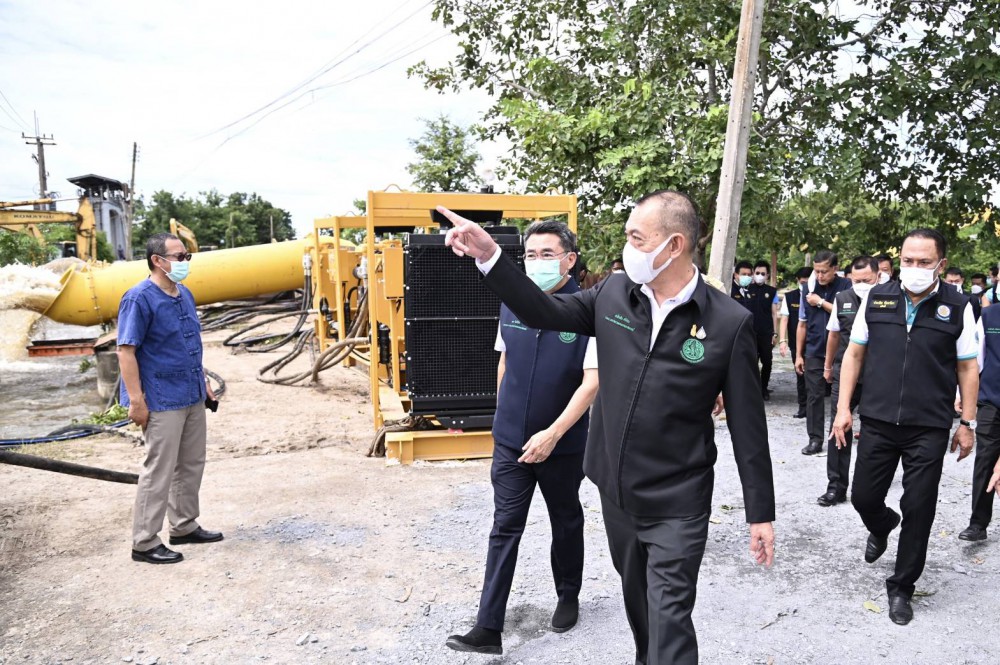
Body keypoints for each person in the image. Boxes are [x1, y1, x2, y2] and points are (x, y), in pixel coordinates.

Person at [439, 190, 775, 665]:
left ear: (674, 245)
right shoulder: (614, 295)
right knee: (639, 603)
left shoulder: (728, 322)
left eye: (637, 239)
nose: (627, 248)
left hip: (679, 497)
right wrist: (490, 255)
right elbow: (544, 311)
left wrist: (760, 513)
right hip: (616, 492)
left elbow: (748, 427)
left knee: (671, 614)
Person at [446, 221, 599, 656]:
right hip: (512, 442)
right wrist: (504, 420)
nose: (537, 262)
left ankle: (568, 594)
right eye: (530, 255)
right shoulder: (512, 302)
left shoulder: (586, 312)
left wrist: (553, 434)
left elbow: (592, 382)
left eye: (547, 254)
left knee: (565, 520)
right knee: (504, 526)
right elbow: (505, 363)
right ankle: (487, 627)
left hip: (561, 443)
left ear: (569, 260)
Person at [831, 228, 978, 626]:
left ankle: (901, 587)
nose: (914, 268)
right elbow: (854, 355)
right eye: (908, 260)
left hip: (928, 426)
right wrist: (843, 408)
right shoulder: (878, 298)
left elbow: (967, 367)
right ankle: (882, 524)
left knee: (919, 507)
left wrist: (967, 422)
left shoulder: (958, 305)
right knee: (863, 496)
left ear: (941, 264)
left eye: (924, 262)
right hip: (878, 420)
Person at [117, 233, 223, 565]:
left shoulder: (184, 294)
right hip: (161, 398)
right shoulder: (138, 299)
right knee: (159, 470)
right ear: (157, 261)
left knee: (191, 463)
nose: (185, 262)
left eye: (187, 256)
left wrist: (203, 380)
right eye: (179, 257)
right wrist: (136, 401)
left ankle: (184, 525)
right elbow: (125, 351)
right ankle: (144, 542)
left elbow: (188, 343)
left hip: (190, 392)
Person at [818, 256, 879, 506]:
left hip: (878, 376)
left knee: (875, 433)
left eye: (867, 280)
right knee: (838, 428)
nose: (862, 285)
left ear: (878, 277)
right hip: (845, 374)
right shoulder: (842, 299)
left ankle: (868, 488)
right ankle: (836, 487)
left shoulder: (890, 300)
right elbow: (834, 335)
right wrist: (828, 366)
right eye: (857, 281)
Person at [795, 250, 851, 455]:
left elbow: (844, 313)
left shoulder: (847, 286)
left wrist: (820, 302)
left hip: (842, 351)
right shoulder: (807, 289)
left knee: (838, 396)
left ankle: (835, 436)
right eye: (816, 271)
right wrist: (799, 354)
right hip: (815, 350)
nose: (820, 276)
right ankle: (815, 439)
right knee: (814, 395)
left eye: (824, 271)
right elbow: (802, 323)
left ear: (835, 269)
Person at [957, 302, 1000, 542]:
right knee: (985, 458)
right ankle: (978, 523)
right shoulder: (989, 315)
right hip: (992, 399)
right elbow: (975, 359)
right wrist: (963, 395)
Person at [737, 260, 778, 400]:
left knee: (767, 362)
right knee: (751, 363)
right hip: (750, 332)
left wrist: (775, 333)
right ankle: (752, 390)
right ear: (753, 274)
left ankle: (764, 388)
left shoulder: (772, 292)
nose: (760, 275)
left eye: (763, 273)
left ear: (767, 276)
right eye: (757, 273)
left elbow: (774, 314)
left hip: (766, 333)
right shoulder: (746, 289)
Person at [779, 268, 811, 418]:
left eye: (808, 282)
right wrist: (782, 340)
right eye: (803, 282)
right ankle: (803, 407)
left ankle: (813, 407)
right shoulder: (790, 297)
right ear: (798, 280)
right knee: (800, 375)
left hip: (815, 342)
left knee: (814, 376)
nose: (805, 285)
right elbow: (784, 319)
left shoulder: (818, 295)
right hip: (796, 343)